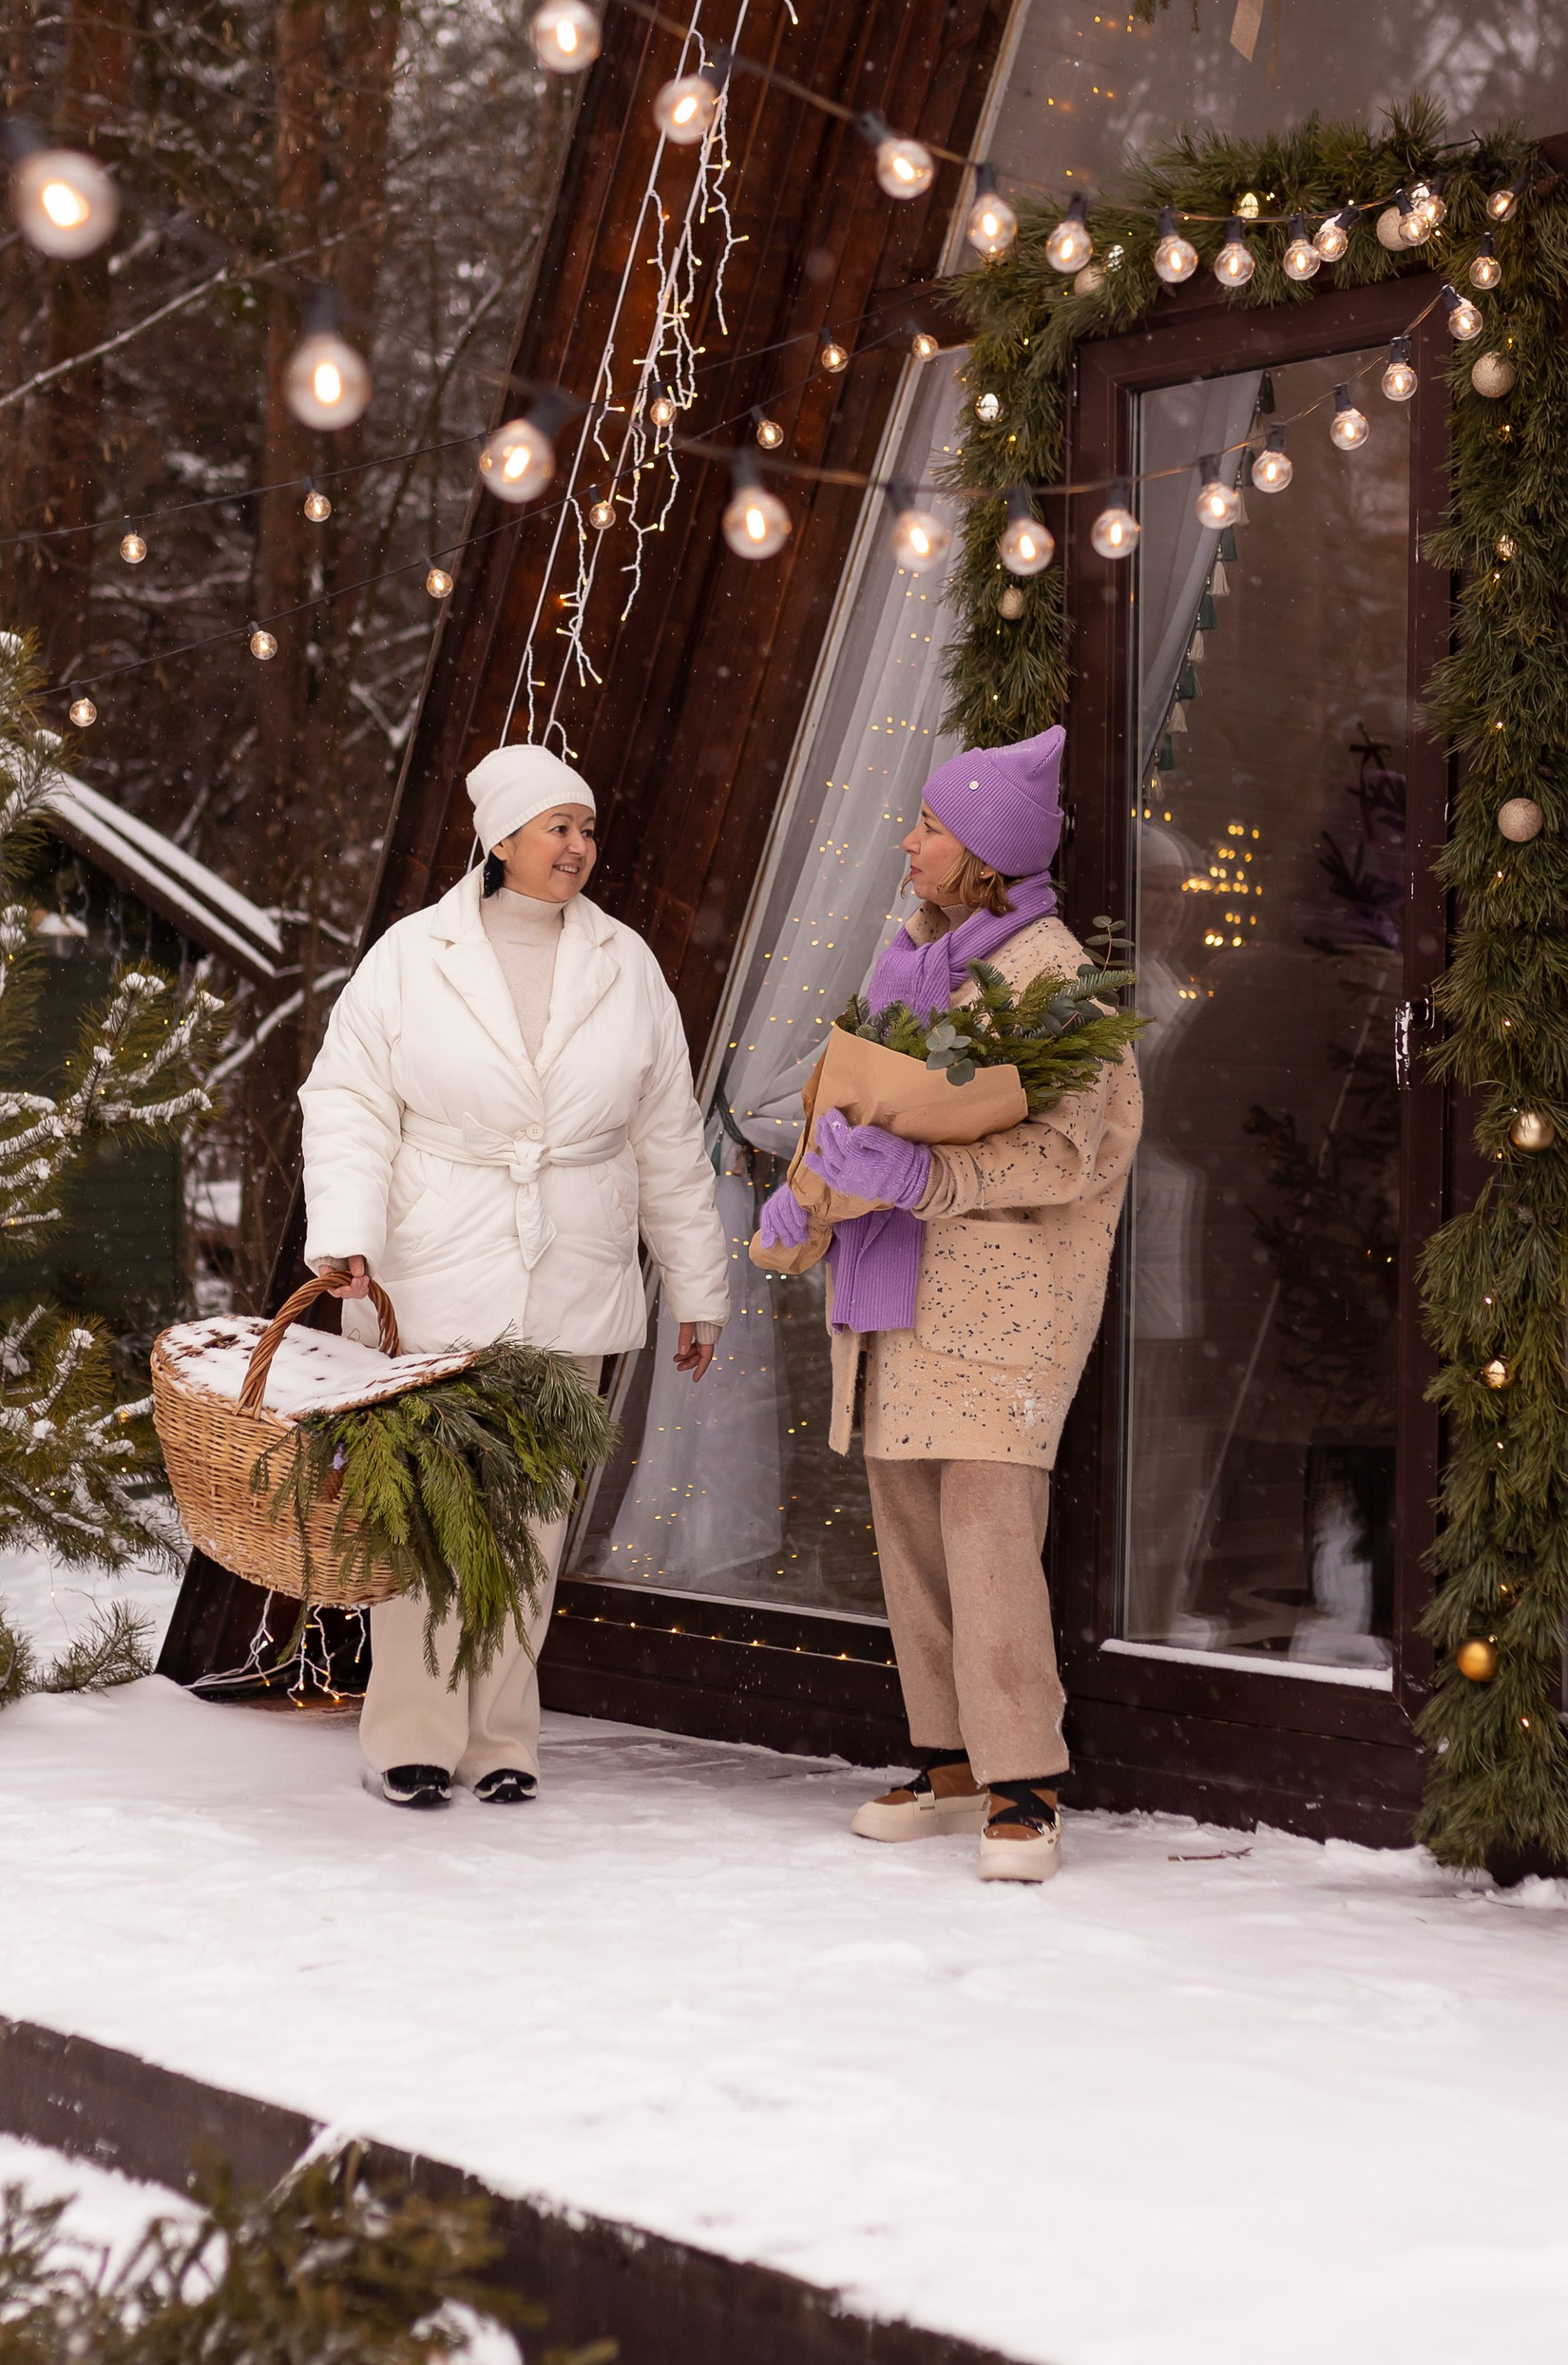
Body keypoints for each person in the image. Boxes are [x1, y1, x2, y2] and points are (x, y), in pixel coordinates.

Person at [300, 740, 729, 1809]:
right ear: (501, 839)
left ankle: (502, 1737)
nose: (579, 847)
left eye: (586, 828)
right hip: (436, 1267)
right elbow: (348, 1099)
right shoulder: (411, 955)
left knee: (532, 1523)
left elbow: (668, 1136)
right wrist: (346, 1231)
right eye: (558, 828)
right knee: (433, 1511)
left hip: (573, 1269)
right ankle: (409, 1734)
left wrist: (699, 1286)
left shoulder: (626, 963)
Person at [755, 725, 1141, 1883]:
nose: (908, 842)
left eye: (928, 827)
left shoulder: (1052, 975)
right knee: (911, 1528)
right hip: (891, 1291)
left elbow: (1079, 1149)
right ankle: (953, 1760)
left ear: (981, 852)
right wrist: (808, 1201)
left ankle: (1027, 1778)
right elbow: (859, 1108)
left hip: (1002, 1305)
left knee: (985, 1536)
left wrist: (933, 1178)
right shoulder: (904, 964)